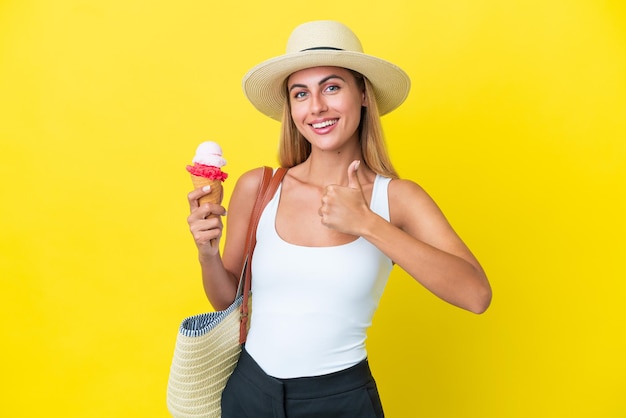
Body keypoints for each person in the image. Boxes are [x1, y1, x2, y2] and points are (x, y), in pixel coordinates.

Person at [187, 20, 491, 418]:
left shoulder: (396, 199)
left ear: (363, 94)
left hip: (340, 401)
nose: (316, 107)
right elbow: (228, 301)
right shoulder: (259, 188)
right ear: (291, 108)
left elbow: (476, 295)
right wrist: (207, 253)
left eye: (332, 87)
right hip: (249, 394)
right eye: (301, 93)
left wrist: (368, 224)